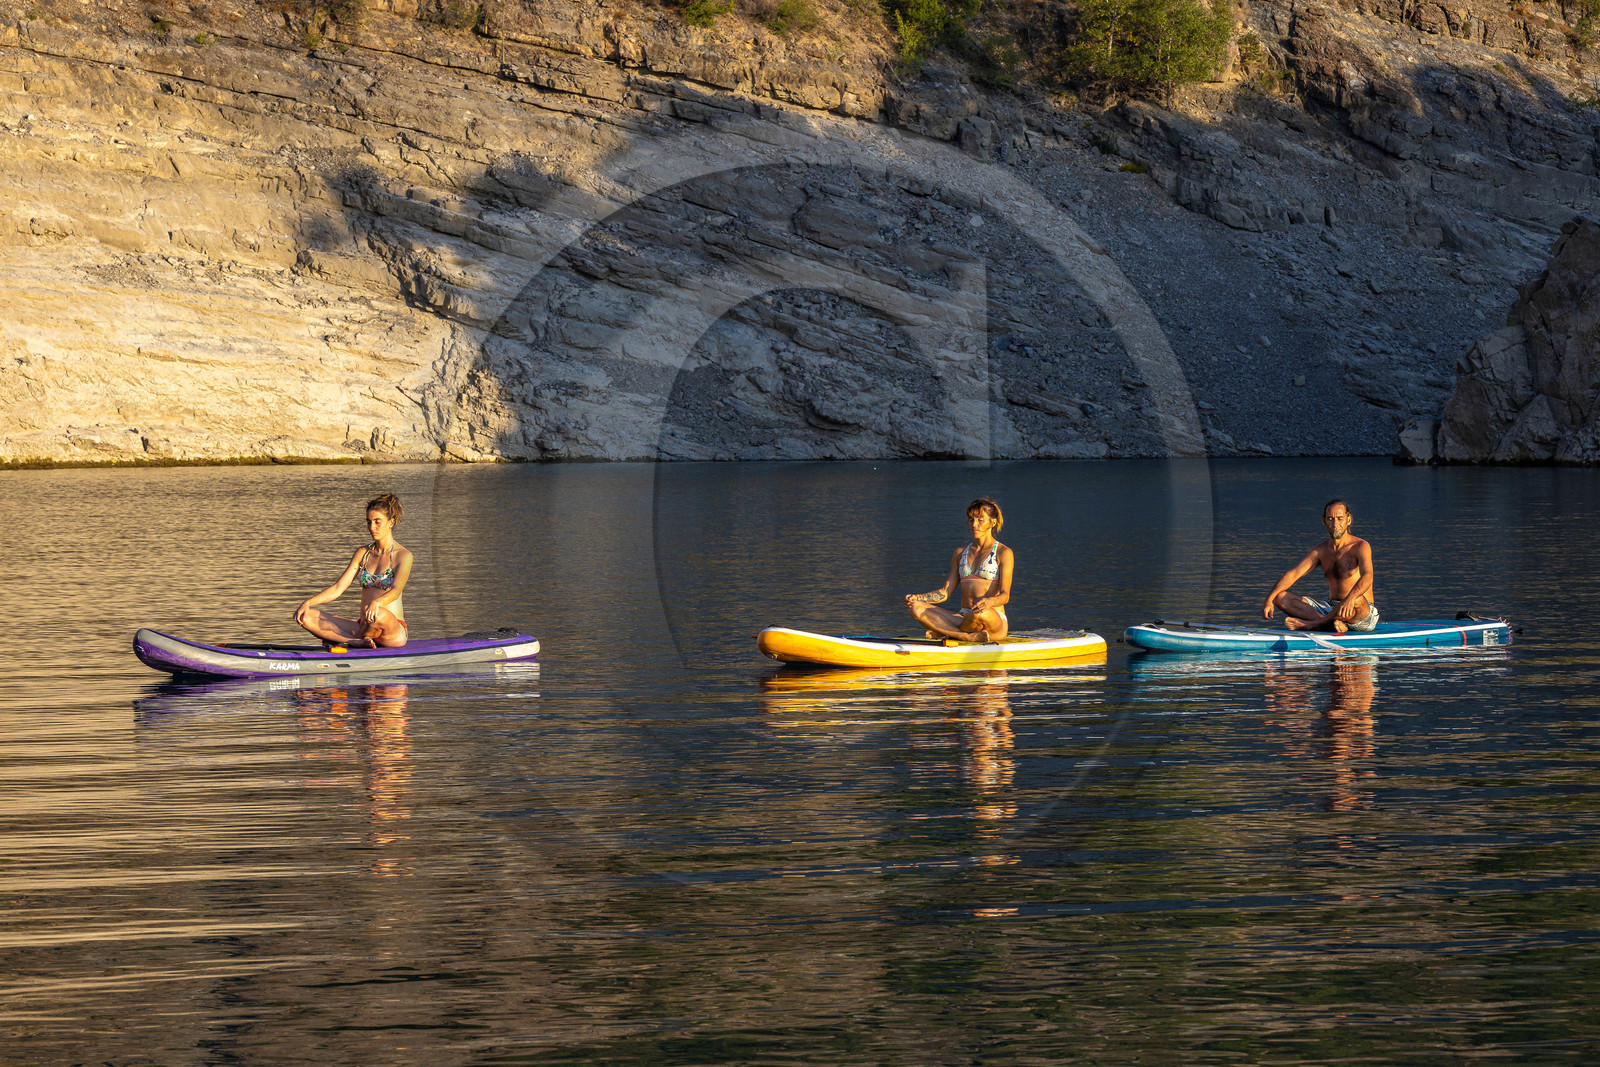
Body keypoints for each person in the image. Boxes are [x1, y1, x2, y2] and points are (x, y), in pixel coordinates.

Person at [295, 494, 413, 648]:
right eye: (369, 522)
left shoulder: (403, 556)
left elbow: (396, 590)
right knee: (305, 616)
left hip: (391, 630)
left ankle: (347, 640)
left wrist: (377, 603)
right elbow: (338, 588)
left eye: (378, 522)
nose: (372, 527)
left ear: (391, 522)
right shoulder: (362, 553)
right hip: (364, 625)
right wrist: (307, 602)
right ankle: (355, 641)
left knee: (378, 614)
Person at [905, 497, 1013, 643]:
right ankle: (965, 636)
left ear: (992, 522)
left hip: (991, 618)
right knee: (915, 609)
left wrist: (989, 602)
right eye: (971, 520)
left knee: (978, 614)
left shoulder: (1003, 552)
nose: (974, 524)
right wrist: (918, 598)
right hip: (964, 617)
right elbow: (945, 592)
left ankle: (946, 631)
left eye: (980, 520)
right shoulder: (960, 552)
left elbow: (1005, 595)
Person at [1261, 498, 1378, 633]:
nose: (1335, 524)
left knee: (1357, 598)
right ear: (1324, 521)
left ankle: (1315, 624)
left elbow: (1368, 577)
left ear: (1348, 519)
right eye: (1330, 519)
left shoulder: (1360, 546)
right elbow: (1293, 574)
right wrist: (1268, 600)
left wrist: (1350, 599)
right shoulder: (1321, 550)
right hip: (1331, 608)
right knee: (1281, 597)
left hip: (1360, 612)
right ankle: (1332, 624)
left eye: (1340, 519)